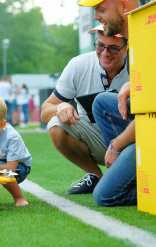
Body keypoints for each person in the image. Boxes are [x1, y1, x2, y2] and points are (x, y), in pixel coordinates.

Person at [40, 25, 129, 194]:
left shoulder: (140, 65)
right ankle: (95, 176)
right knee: (55, 124)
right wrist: (61, 106)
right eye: (100, 45)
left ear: (127, 47)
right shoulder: (78, 65)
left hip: (132, 138)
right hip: (95, 138)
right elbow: (45, 111)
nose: (105, 53)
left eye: (113, 48)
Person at [79, 0, 140, 206]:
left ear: (124, 6)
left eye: (101, 10)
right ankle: (129, 171)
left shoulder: (148, 37)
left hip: (151, 127)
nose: (96, 17)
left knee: (104, 194)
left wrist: (116, 146)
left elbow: (150, 118)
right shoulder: (137, 40)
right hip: (146, 122)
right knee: (102, 101)